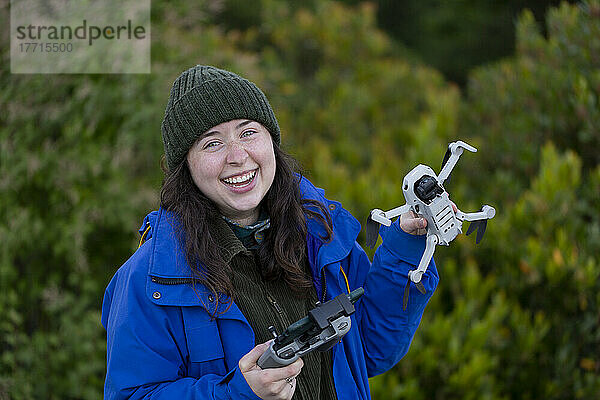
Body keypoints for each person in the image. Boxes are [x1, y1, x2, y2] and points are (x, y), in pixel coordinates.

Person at [101, 65, 439, 400]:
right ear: (185, 166)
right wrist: (236, 394)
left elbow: (368, 349)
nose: (237, 156)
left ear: (271, 141)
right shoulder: (150, 276)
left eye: (248, 132)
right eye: (211, 143)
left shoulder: (320, 231)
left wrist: (405, 247)